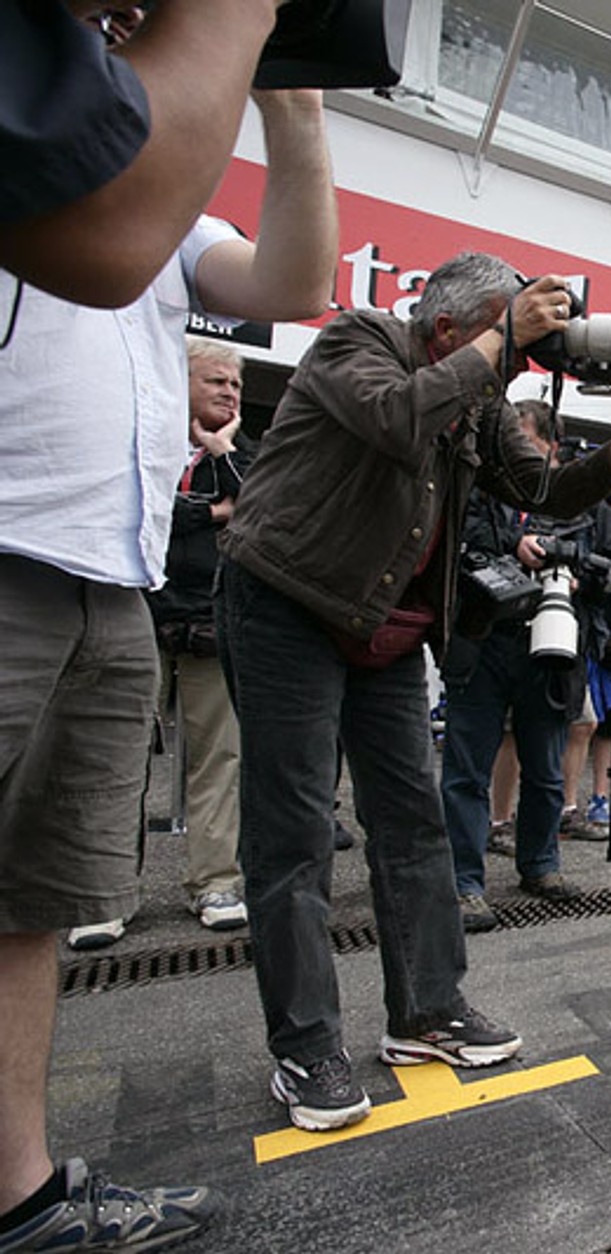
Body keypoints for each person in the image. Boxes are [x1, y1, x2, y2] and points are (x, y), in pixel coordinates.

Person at [216, 252, 611, 1133]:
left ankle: (427, 1013)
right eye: (504, 335)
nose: (516, 359)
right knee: (294, 833)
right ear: (446, 329)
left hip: (386, 624)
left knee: (413, 824)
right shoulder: (360, 342)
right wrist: (503, 346)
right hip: (287, 602)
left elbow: (542, 490)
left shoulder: (478, 395)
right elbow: (396, 419)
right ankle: (307, 1048)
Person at [0, 80, 335, 1250]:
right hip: (11, 552)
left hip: (111, 582)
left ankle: (21, 1197)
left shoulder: (170, 219)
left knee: (27, 905)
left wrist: (295, 109)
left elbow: (294, 283)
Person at [1, 1, 299, 308]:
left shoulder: (182, 227)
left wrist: (298, 107)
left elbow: (289, 290)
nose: (134, 17)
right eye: (106, 19)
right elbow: (109, 247)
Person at [440, 401, 595, 936]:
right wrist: (514, 544)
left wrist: (574, 569)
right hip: (482, 642)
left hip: (549, 647)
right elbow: (455, 543)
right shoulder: (475, 487)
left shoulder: (572, 498)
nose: (509, 452)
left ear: (549, 447)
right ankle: (463, 882)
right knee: (466, 770)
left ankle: (541, 864)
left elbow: (600, 557)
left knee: (547, 770)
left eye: (521, 442)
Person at [141, 338, 255, 936]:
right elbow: (146, 513)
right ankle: (105, 897)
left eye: (234, 384)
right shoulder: (149, 442)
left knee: (219, 760)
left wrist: (223, 451)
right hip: (145, 614)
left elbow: (258, 508)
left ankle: (214, 883)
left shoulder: (241, 455)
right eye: (216, 381)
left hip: (214, 620)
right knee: (119, 759)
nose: (229, 393)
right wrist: (211, 513)